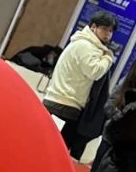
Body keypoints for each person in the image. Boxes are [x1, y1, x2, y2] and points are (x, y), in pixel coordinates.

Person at [43, 12, 117, 159]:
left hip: (59, 103)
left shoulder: (82, 43)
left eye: (111, 31)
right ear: (94, 27)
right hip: (65, 106)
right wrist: (108, 57)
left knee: (47, 150)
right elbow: (94, 72)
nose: (108, 34)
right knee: (55, 154)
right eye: (104, 29)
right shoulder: (86, 46)